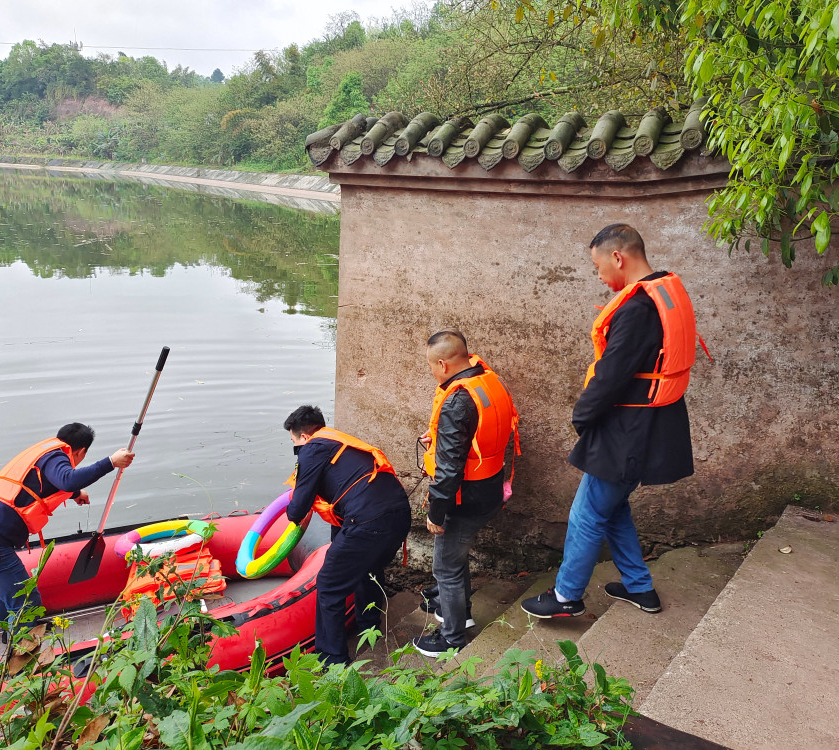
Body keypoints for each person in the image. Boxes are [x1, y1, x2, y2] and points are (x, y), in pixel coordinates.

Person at [522, 223, 696, 619]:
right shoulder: (665, 293)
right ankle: (639, 588)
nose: (600, 277)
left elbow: (611, 375)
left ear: (618, 257)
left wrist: (582, 417)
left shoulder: (637, 309)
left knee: (586, 513)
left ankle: (566, 596)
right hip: (653, 421)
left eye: (598, 267)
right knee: (612, 507)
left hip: (628, 430)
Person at [0, 423, 135, 626]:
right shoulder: (57, 457)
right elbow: (67, 480)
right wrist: (110, 462)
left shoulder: (46, 453)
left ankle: (9, 640)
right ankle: (21, 654)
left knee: (11, 597)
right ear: (81, 451)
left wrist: (75, 494)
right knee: (28, 603)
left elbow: (38, 485)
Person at [412, 331, 519, 657]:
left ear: (443, 363)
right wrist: (440, 439)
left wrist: (436, 513)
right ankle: (460, 612)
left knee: (445, 567)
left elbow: (449, 472)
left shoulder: (458, 401)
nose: (432, 372)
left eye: (432, 366)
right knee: (455, 560)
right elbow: (477, 436)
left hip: (464, 498)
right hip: (490, 488)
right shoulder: (487, 380)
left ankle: (452, 638)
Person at [284, 405, 411, 667]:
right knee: (369, 568)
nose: (298, 450)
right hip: (399, 514)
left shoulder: (313, 449)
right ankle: (370, 628)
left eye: (295, 444)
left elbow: (297, 510)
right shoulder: (342, 444)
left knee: (329, 583)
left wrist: (290, 508)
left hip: (367, 521)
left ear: (305, 437)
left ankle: (332, 660)